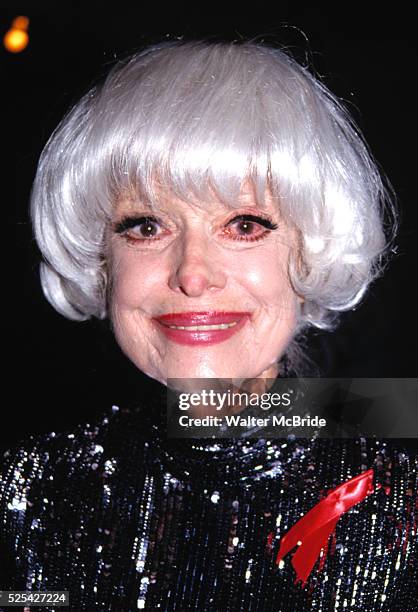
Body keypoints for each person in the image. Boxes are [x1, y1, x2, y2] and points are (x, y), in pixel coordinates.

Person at [1, 40, 416, 611]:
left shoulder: (399, 505)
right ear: (100, 259)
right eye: (146, 227)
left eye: (245, 225)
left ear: (311, 252)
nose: (193, 276)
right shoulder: (32, 490)